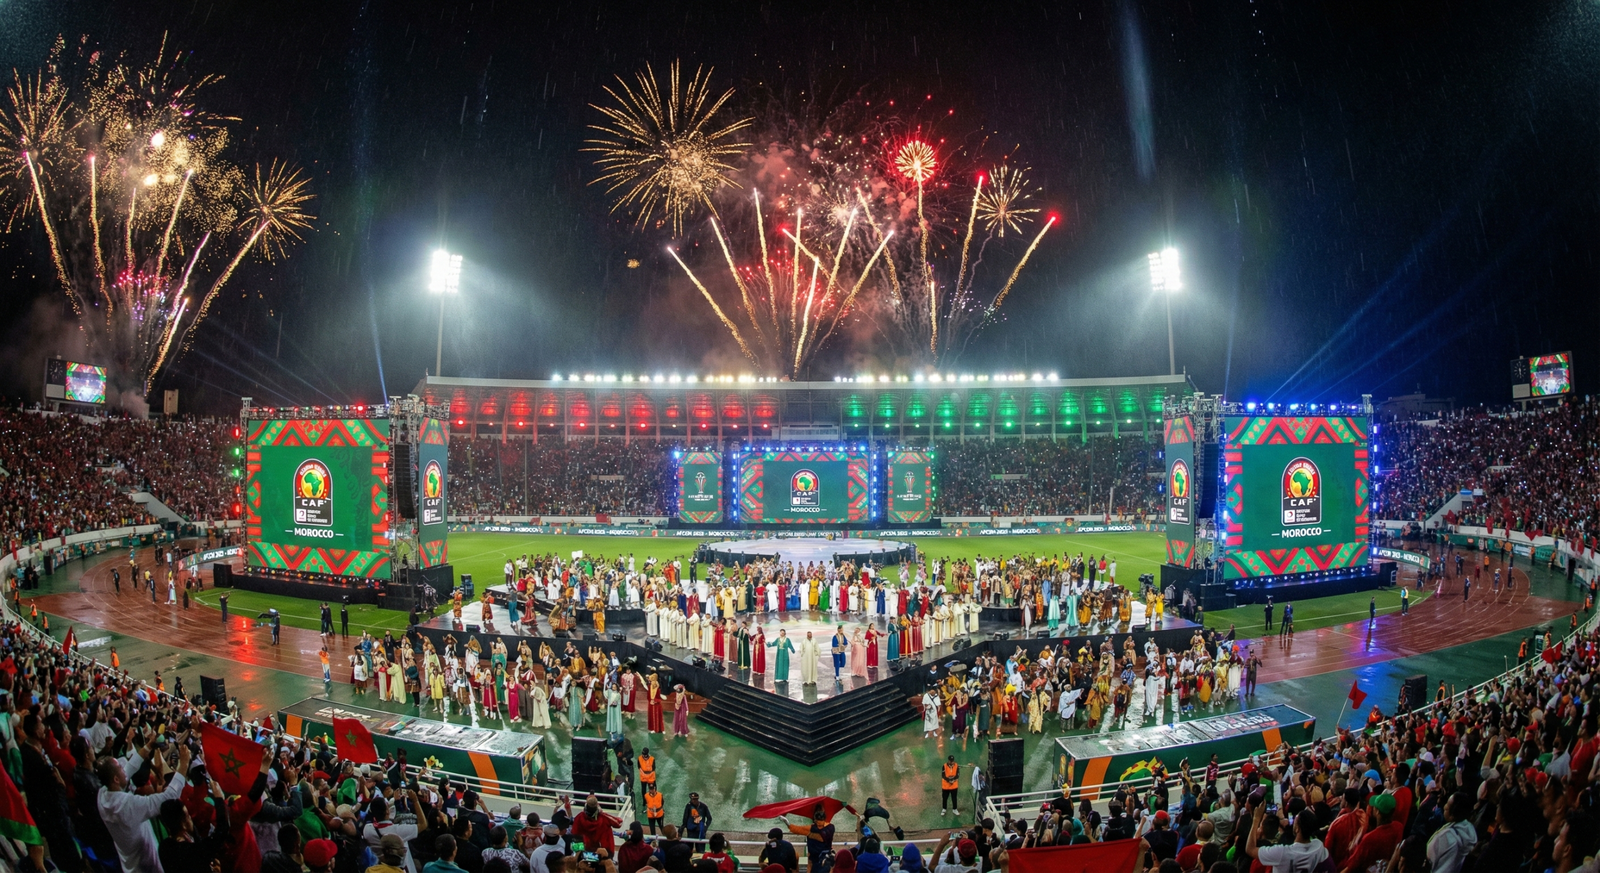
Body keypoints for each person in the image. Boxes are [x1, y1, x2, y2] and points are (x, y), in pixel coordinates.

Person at [97, 728, 197, 873]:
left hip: (128, 861)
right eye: (120, 767)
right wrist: (183, 765)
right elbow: (168, 798)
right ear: (116, 779)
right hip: (146, 863)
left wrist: (149, 745)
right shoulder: (128, 805)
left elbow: (129, 768)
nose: (124, 768)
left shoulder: (102, 795)